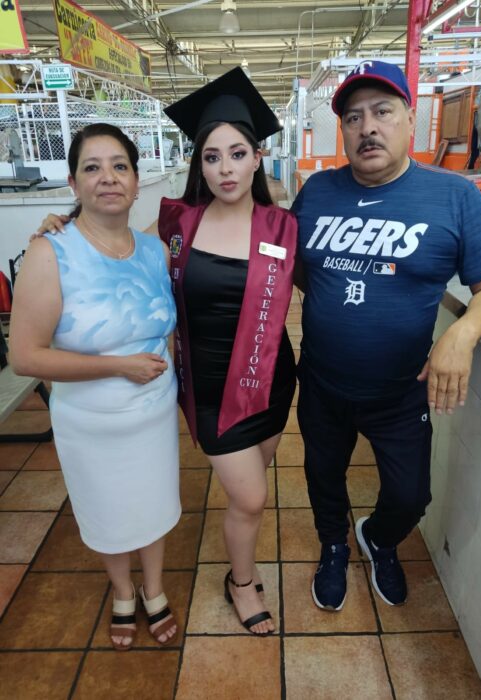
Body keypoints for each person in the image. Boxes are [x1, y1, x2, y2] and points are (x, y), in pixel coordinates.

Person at [35, 68, 298, 636]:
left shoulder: (284, 226)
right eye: (211, 156)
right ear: (197, 164)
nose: (224, 168)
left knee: (248, 495)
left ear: (258, 158)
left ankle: (231, 570)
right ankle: (242, 583)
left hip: (271, 381)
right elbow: (117, 246)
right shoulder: (178, 223)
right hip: (209, 389)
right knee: (251, 497)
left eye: (236, 154)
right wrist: (63, 223)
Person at [291, 60, 481, 612]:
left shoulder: (453, 196)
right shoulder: (317, 192)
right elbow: (298, 268)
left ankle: (380, 538)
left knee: (411, 494)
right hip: (322, 382)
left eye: (382, 112)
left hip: (399, 394)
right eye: (353, 117)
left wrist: (462, 332)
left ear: (410, 120)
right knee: (324, 475)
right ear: (342, 130)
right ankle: (332, 545)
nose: (367, 127)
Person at [10, 123, 180, 650]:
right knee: (107, 513)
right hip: (92, 423)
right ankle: (122, 590)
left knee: (153, 507)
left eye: (119, 166)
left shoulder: (155, 251)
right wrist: (117, 367)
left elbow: (162, 330)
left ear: (135, 181)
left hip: (153, 416)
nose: (107, 178)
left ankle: (153, 589)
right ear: (74, 182)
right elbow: (24, 357)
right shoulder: (50, 252)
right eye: (92, 167)